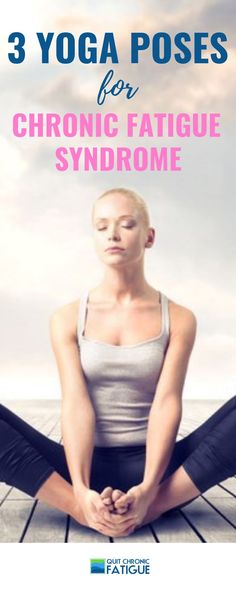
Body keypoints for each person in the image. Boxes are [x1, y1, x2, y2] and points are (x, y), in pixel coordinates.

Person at [0, 187, 235, 539]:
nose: (112, 234)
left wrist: (149, 489)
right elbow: (76, 403)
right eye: (101, 226)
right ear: (94, 238)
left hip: (162, 470)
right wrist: (80, 489)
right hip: (78, 467)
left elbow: (166, 403)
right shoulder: (65, 318)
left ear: (149, 236)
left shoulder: (180, 318)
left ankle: (153, 506)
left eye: (126, 224)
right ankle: (80, 509)